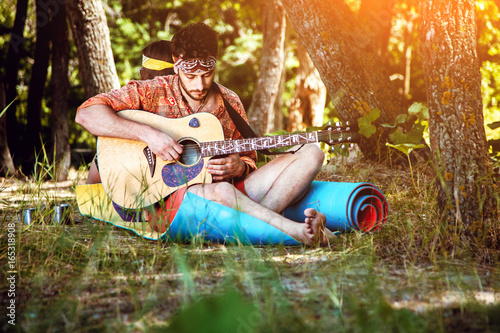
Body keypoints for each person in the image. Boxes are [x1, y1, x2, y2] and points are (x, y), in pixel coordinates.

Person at [76, 22, 333, 246]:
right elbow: (86, 114)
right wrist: (149, 134)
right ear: (176, 63)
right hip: (165, 202)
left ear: (215, 63)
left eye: (207, 74)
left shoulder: (229, 101)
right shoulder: (150, 91)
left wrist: (240, 167)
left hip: (230, 194)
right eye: (191, 75)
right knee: (221, 192)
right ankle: (296, 231)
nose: (200, 85)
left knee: (312, 152)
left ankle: (254, 222)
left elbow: (250, 159)